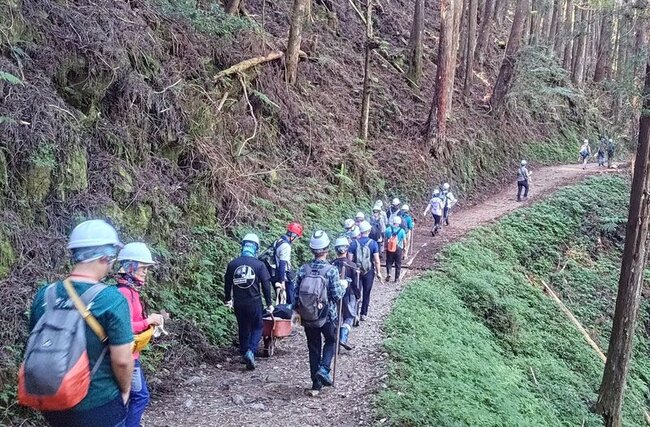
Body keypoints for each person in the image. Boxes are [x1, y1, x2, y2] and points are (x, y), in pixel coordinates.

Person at [26, 220, 134, 427]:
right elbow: (122, 360)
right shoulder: (111, 298)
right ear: (105, 256)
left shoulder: (45, 294)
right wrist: (125, 390)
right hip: (99, 403)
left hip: (53, 400)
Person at [116, 242, 161, 427]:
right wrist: (148, 321)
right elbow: (124, 327)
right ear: (130, 267)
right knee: (140, 396)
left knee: (129, 397)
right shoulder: (124, 293)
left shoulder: (131, 291)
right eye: (143, 268)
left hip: (132, 354)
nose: (145, 272)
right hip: (128, 356)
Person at [295, 231, 345, 395]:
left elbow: (295, 295)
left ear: (311, 249)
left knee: (313, 347)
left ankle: (315, 384)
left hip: (308, 316)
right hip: (327, 316)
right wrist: (343, 286)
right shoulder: (331, 271)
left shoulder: (304, 269)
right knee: (332, 340)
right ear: (327, 249)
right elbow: (337, 295)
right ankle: (324, 369)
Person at [224, 234, 274, 370]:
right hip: (254, 302)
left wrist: (228, 299)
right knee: (258, 326)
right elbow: (265, 285)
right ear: (256, 248)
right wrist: (269, 304)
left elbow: (227, 283)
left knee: (243, 327)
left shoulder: (233, 264)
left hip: (239, 302)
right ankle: (250, 351)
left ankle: (244, 352)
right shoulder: (259, 265)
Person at [348, 221, 381, 321]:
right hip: (369, 271)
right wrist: (378, 272)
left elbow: (349, 260)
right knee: (367, 293)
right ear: (369, 231)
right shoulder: (373, 243)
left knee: (356, 292)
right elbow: (376, 260)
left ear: (360, 231)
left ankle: (355, 313)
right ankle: (363, 314)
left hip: (356, 271)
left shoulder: (353, 243)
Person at [332, 237, 360, 350]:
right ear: (347, 249)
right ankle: (343, 337)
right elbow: (355, 284)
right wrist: (358, 295)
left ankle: (334, 338)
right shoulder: (352, 265)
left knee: (335, 317)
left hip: (334, 295)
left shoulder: (331, 264)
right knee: (349, 317)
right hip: (348, 295)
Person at [273, 222, 303, 306]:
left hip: (275, 275)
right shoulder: (286, 246)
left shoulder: (278, 241)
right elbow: (282, 264)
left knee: (280, 301)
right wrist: (282, 282)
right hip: (284, 278)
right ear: (293, 235)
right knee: (290, 301)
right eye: (297, 237)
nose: (297, 240)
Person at [384, 216, 407, 283]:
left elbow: (385, 239)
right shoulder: (402, 231)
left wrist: (385, 247)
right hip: (398, 248)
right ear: (399, 223)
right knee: (398, 263)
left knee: (389, 262)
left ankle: (389, 273)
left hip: (390, 248)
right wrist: (405, 248)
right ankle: (396, 278)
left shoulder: (388, 229)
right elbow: (404, 241)